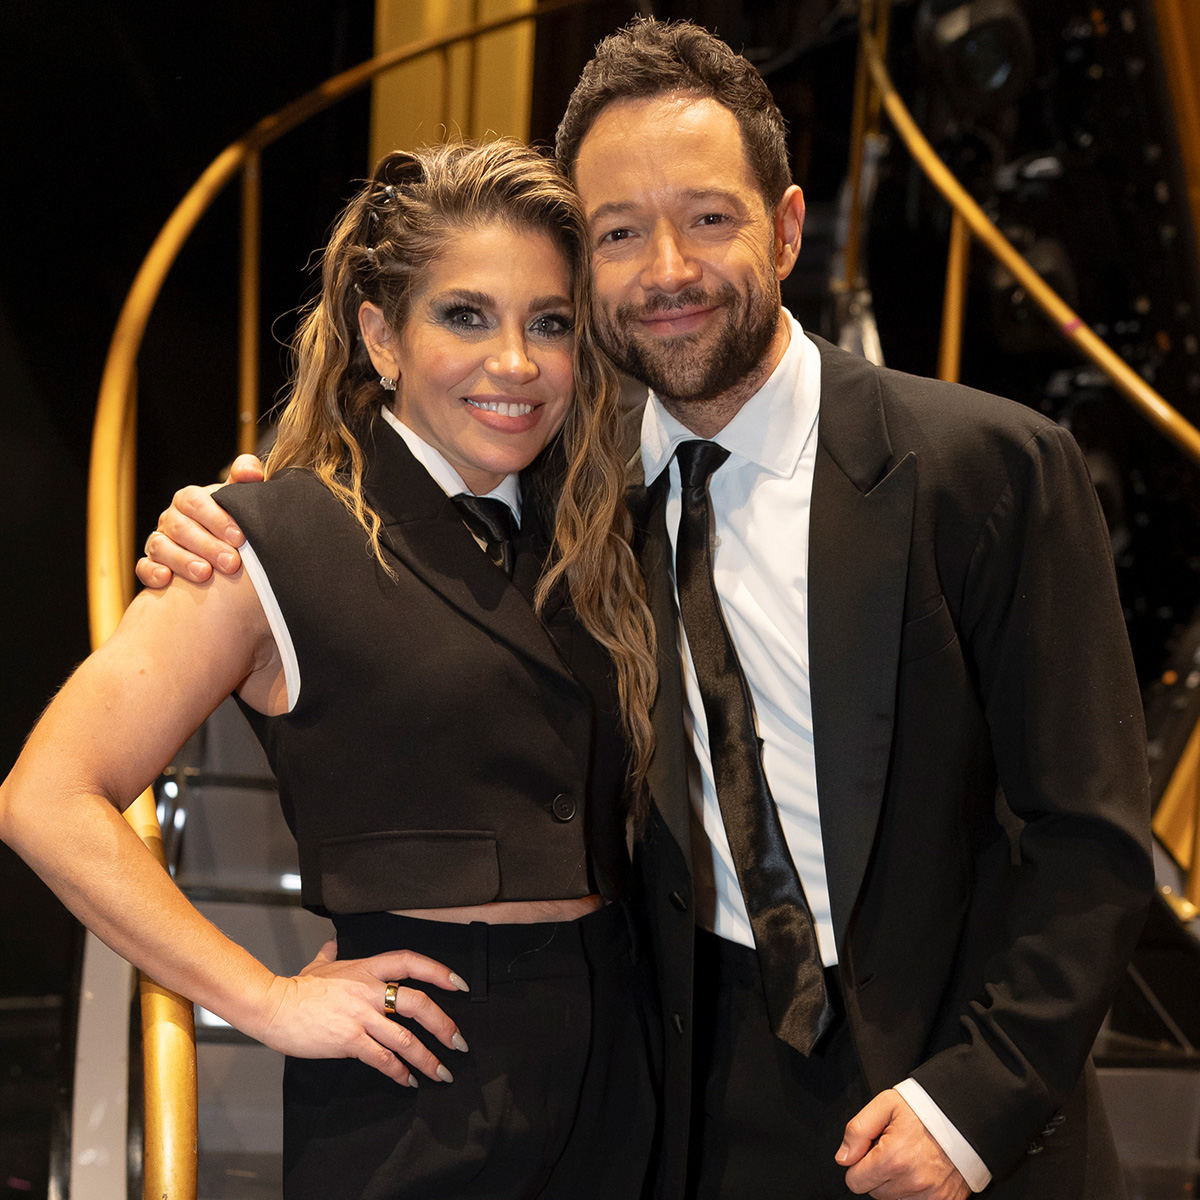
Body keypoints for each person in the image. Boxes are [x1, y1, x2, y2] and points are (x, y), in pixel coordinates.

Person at [140, 18, 1156, 1200]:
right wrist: (236, 519)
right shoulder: (574, 499)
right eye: (619, 233)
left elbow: (1091, 840)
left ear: (786, 228)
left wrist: (977, 1102)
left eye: (709, 218)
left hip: (960, 1100)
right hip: (692, 1108)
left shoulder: (991, 469)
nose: (667, 269)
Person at [2, 138, 659, 1199]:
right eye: (466, 316)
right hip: (419, 1081)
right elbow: (46, 796)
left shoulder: (593, 541)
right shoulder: (267, 537)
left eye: (549, 323)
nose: (517, 363)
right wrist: (261, 998)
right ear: (380, 335)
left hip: (618, 1067)